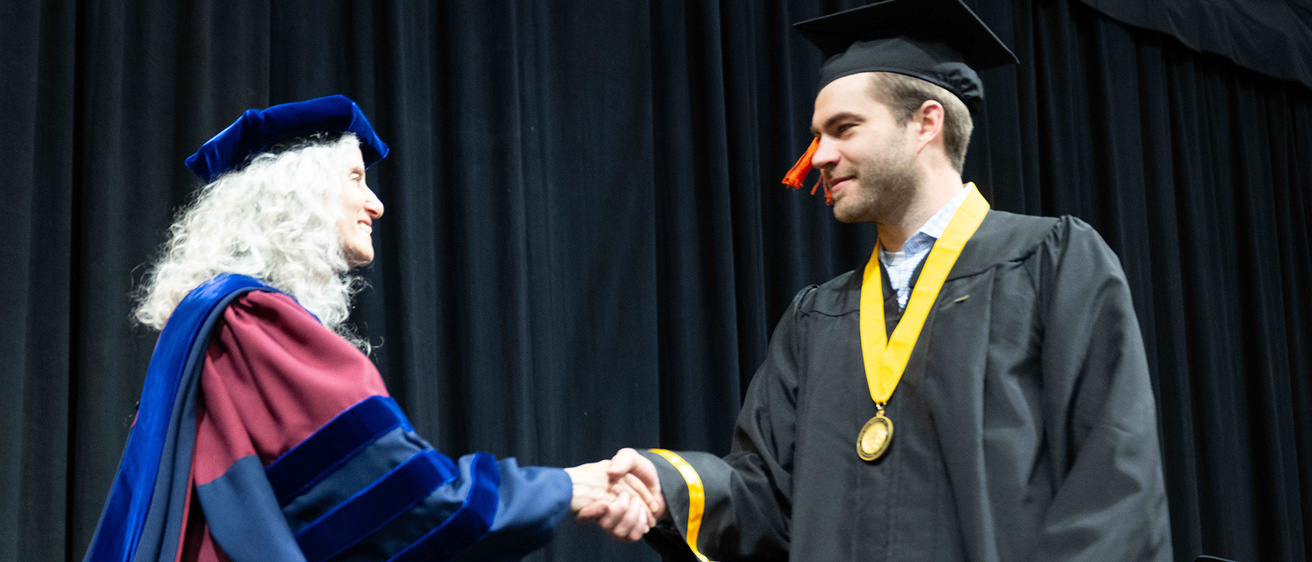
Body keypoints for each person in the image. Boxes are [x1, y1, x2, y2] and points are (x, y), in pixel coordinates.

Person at [591, 0, 1173, 559]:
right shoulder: (816, 318)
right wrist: (667, 485)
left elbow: (1112, 479)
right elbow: (767, 499)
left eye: (844, 128)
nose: (818, 155)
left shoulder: (1050, 262)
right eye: (819, 135)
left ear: (925, 123)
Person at [83, 95, 659, 562]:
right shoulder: (254, 321)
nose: (376, 204)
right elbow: (401, 504)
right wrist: (562, 489)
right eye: (356, 178)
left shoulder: (208, 325)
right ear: (295, 194)